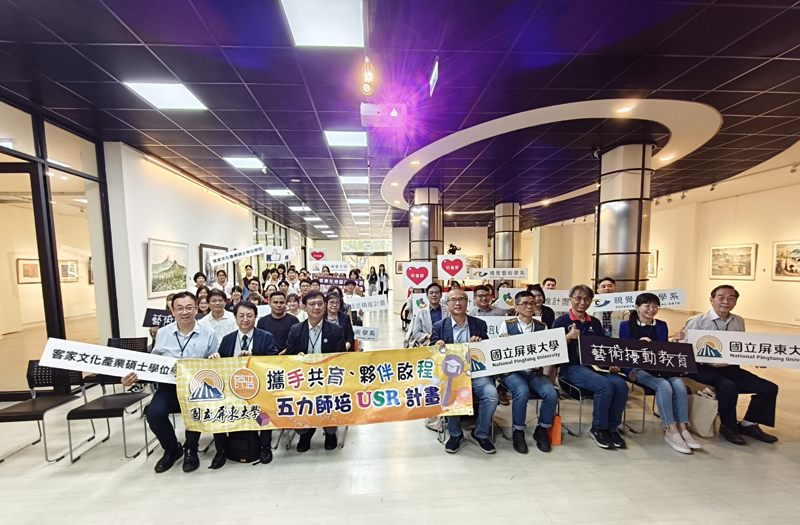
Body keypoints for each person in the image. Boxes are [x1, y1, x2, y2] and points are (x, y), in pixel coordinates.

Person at [120, 292, 219, 473]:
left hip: (196, 386)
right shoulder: (163, 333)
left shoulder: (209, 334)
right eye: (179, 308)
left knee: (195, 410)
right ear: (172, 311)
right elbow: (153, 363)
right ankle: (172, 449)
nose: (184, 312)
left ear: (196, 309)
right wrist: (135, 378)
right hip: (168, 386)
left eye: (189, 308)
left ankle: (191, 448)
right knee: (154, 414)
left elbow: (214, 366)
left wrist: (214, 359)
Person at [676, 285, 778, 445]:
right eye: (721, 297)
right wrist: (678, 340)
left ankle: (748, 424)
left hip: (730, 368)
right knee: (728, 387)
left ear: (736, 302)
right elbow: (684, 349)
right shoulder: (697, 321)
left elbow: (740, 347)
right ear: (712, 300)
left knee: (768, 388)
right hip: (702, 368)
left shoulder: (738, 321)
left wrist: (754, 358)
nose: (726, 301)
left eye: (731, 298)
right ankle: (728, 426)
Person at [619, 293, 701, 454]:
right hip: (636, 368)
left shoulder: (661, 325)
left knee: (679, 384)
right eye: (647, 305)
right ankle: (670, 428)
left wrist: (675, 341)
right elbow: (623, 350)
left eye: (655, 306)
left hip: (660, 367)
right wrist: (638, 345)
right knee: (663, 386)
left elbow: (665, 350)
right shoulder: (626, 325)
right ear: (637, 307)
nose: (652, 309)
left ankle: (683, 427)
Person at [553, 285, 628, 450]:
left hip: (596, 367)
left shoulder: (594, 322)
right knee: (604, 386)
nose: (582, 302)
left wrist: (611, 364)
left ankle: (612, 428)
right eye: (578, 298)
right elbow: (552, 349)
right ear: (570, 299)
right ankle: (598, 428)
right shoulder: (561, 321)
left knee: (621, 385)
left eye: (587, 299)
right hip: (572, 367)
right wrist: (567, 337)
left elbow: (602, 347)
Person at [209, 301, 278, 469]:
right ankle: (221, 450)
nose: (245, 319)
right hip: (232, 389)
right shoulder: (228, 339)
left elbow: (274, 361)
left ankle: (265, 447)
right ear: (235, 318)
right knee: (215, 407)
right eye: (241, 316)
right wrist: (216, 358)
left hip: (259, 388)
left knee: (265, 410)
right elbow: (221, 365)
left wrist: (252, 359)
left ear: (255, 317)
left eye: (249, 316)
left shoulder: (266, 336)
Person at [431, 289, 495, 454]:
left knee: (491, 394)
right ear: (447, 304)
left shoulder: (479, 324)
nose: (457, 303)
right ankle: (455, 434)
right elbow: (431, 353)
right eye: (453, 300)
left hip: (477, 374)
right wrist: (436, 346)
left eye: (461, 299)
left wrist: (481, 342)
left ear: (468, 303)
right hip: (452, 375)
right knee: (450, 391)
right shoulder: (439, 326)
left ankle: (480, 433)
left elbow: (488, 351)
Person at [285, 291, 346, 451]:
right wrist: (296, 358)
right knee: (300, 402)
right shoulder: (296, 329)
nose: (316, 307)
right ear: (304, 307)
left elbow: (341, 360)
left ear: (325, 306)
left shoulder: (336, 330)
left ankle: (330, 432)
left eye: (320, 303)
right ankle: (306, 433)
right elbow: (288, 358)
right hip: (303, 380)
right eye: (312, 304)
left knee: (330, 399)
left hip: (328, 380)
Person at [499, 290, 558, 454]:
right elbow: (500, 353)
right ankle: (518, 431)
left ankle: (542, 429)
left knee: (551, 393)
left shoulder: (542, 326)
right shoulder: (507, 325)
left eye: (532, 303)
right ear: (516, 306)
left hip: (535, 372)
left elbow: (547, 351)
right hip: (513, 372)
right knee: (522, 392)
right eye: (524, 303)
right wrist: (503, 342)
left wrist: (542, 365)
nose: (529, 306)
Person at [408, 283, 449, 347]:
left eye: (437, 292)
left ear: (441, 295)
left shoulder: (448, 311)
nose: (434, 295)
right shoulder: (420, 313)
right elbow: (416, 333)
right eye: (431, 293)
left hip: (446, 345)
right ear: (427, 296)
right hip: (427, 345)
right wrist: (430, 337)